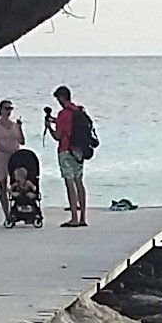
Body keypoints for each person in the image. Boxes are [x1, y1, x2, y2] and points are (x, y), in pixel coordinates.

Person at [45, 85, 96, 228]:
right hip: (79, 150)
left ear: (61, 97)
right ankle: (83, 218)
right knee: (79, 182)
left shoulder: (63, 114)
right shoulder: (78, 110)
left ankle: (74, 217)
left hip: (66, 150)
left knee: (69, 183)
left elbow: (57, 136)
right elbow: (70, 125)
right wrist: (55, 120)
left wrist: (49, 126)